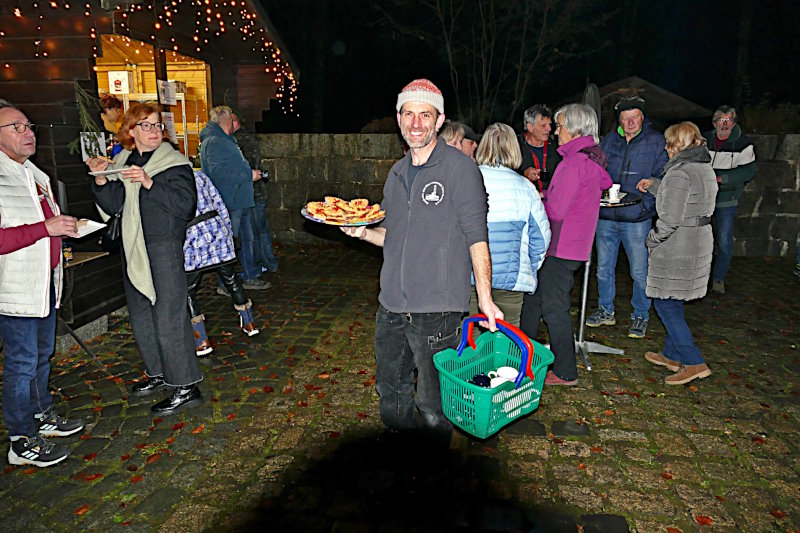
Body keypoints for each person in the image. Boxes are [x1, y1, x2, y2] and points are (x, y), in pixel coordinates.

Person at [340, 78, 503, 433]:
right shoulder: (396, 173)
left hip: (438, 312)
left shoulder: (460, 170)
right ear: (399, 118)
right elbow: (393, 237)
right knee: (391, 392)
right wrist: (364, 231)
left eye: (424, 115)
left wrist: (486, 299)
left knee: (433, 406)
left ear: (439, 120)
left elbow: (477, 237)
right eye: (409, 114)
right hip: (392, 306)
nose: (416, 123)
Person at [86, 102, 204, 416]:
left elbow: (184, 206)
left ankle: (185, 385)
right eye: (146, 125)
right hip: (133, 244)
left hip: (163, 246)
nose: (154, 131)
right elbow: (116, 205)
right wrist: (101, 180)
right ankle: (157, 373)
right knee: (141, 315)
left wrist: (149, 182)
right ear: (131, 131)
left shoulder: (173, 162)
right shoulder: (123, 160)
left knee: (168, 317)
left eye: (157, 125)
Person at [0, 99, 85, 467]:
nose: (28, 132)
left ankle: (41, 415)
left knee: (41, 358)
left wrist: (66, 230)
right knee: (20, 365)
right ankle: (20, 440)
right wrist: (45, 229)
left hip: (45, 283)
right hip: (14, 290)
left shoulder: (35, 174)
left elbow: (46, 227)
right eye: (16, 127)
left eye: (28, 125)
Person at [520, 104, 612, 386]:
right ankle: (523, 357)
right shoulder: (589, 160)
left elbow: (558, 211)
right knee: (533, 301)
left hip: (560, 247)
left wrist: (537, 201)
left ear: (573, 130)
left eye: (559, 127)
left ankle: (565, 371)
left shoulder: (573, 163)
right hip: (574, 246)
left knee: (553, 307)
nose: (556, 132)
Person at [586, 95, 668, 339]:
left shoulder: (656, 142)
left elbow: (663, 176)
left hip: (637, 218)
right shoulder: (609, 141)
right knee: (603, 269)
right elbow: (596, 172)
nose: (630, 122)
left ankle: (641, 315)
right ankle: (605, 310)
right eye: (626, 118)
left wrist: (647, 206)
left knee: (640, 271)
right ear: (619, 119)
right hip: (607, 216)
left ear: (642, 118)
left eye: (635, 117)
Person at [643, 122, 717, 385]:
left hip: (678, 245)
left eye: (668, 143)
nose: (665, 147)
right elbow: (687, 197)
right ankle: (671, 354)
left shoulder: (679, 173)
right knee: (675, 299)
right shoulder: (703, 167)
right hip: (698, 240)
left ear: (677, 145)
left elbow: (670, 217)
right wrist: (654, 185)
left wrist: (651, 239)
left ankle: (693, 361)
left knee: (665, 302)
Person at [468, 122, 551, 327]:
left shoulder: (467, 180)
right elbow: (541, 238)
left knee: (471, 342)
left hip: (470, 277)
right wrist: (529, 268)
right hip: (512, 281)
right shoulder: (525, 188)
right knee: (506, 340)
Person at [185, 170, 259, 358]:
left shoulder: (164, 180)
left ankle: (201, 340)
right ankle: (249, 323)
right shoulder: (199, 176)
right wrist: (227, 232)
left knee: (188, 290)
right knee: (231, 279)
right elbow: (219, 203)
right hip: (216, 230)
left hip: (192, 237)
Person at [199, 106, 269, 290]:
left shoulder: (223, 140)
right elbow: (219, 173)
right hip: (231, 201)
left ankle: (249, 276)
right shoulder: (215, 142)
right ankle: (227, 283)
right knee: (230, 244)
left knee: (246, 240)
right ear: (227, 121)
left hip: (240, 199)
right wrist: (248, 175)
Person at [702, 105, 757, 294]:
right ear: (715, 122)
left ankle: (718, 278)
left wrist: (721, 178)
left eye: (729, 120)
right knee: (700, 239)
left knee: (724, 241)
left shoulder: (743, 144)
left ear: (734, 122)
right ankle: (700, 276)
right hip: (704, 198)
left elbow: (748, 170)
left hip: (727, 198)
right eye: (721, 120)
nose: (725, 124)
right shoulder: (704, 140)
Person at [231, 112, 278, 274]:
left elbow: (248, 169)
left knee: (255, 233)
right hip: (257, 193)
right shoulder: (246, 138)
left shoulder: (239, 141)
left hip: (252, 194)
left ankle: (261, 264)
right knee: (261, 231)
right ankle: (269, 263)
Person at [516, 104, 562, 191]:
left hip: (550, 201)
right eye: (543, 125)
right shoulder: (514, 147)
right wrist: (523, 175)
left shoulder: (556, 148)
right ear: (530, 127)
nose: (549, 129)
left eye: (549, 124)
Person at [100, 93, 124, 158]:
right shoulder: (99, 125)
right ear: (107, 109)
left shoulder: (110, 125)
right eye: (117, 110)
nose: (119, 114)